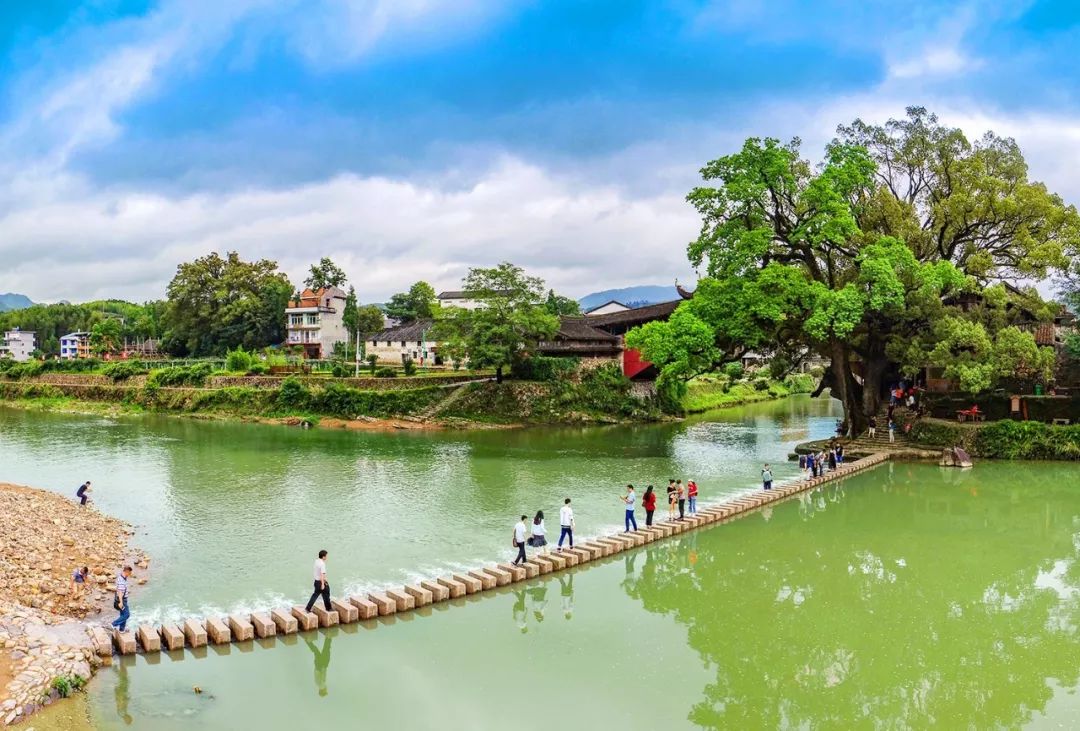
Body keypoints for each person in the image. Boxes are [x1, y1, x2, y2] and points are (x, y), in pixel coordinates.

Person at [111, 565, 133, 632]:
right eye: (129, 573)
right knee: (127, 614)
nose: (130, 574)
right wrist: (121, 602)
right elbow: (120, 592)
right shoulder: (121, 580)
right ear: (127, 571)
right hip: (122, 600)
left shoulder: (121, 577)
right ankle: (113, 624)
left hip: (122, 599)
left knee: (123, 614)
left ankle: (122, 629)